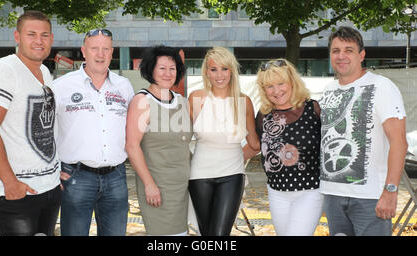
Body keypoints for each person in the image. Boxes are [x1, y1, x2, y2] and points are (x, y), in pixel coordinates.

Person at [0, 10, 60, 236]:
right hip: (17, 193)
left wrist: (55, 173)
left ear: (51, 39)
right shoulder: (3, 70)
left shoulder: (44, 71)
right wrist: (9, 183)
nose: (38, 41)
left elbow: (47, 127)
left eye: (44, 35)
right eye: (31, 34)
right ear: (17, 36)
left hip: (48, 187)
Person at [319, 26, 408, 236]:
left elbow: (398, 142)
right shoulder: (328, 90)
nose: (341, 56)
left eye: (348, 50)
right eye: (336, 51)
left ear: (361, 55)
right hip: (332, 195)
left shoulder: (382, 86)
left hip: (370, 198)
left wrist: (390, 191)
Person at [52, 28, 134, 236]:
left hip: (116, 176)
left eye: (105, 49)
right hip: (76, 177)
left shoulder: (124, 86)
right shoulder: (61, 87)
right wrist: (52, 168)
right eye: (94, 48)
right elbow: (46, 131)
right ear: (83, 51)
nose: (100, 54)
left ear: (112, 52)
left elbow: (133, 130)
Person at [247, 59, 324, 236]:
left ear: (292, 82)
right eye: (270, 86)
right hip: (276, 192)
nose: (277, 91)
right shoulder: (264, 115)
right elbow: (256, 147)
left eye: (281, 83)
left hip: (310, 191)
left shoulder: (313, 109)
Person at [188, 47, 259, 236]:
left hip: (232, 174)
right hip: (200, 174)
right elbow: (181, 139)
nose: (219, 75)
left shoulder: (244, 101)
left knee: (220, 234)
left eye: (224, 69)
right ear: (206, 72)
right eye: (213, 69)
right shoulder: (197, 98)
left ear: (232, 71)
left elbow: (254, 144)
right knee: (207, 234)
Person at [125, 45, 192, 236]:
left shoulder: (181, 101)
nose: (168, 73)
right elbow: (132, 146)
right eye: (162, 68)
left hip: (185, 187)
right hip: (159, 187)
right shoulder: (142, 101)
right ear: (151, 70)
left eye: (172, 68)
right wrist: (149, 184)